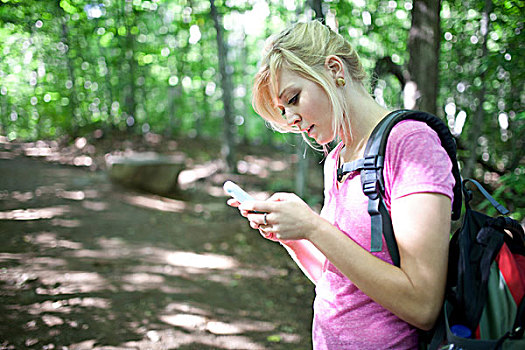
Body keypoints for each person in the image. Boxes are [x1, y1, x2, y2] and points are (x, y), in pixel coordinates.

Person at [227, 20, 455, 349]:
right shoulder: (337, 158)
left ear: (334, 69)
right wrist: (293, 237)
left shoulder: (411, 144)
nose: (290, 119)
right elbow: (342, 283)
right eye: (282, 109)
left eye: (293, 98)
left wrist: (313, 227)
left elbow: (422, 305)